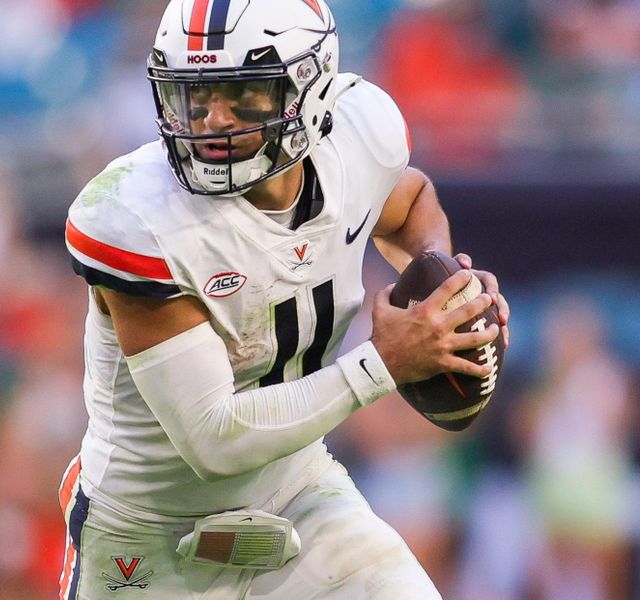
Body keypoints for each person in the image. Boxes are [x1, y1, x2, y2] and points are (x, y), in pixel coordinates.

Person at [60, 0, 510, 598]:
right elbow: (214, 440)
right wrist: (385, 362)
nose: (213, 120)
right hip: (150, 538)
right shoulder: (139, 218)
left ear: (310, 88)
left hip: (295, 494)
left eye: (242, 93)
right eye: (195, 96)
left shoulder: (355, 141)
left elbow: (410, 201)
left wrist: (441, 286)